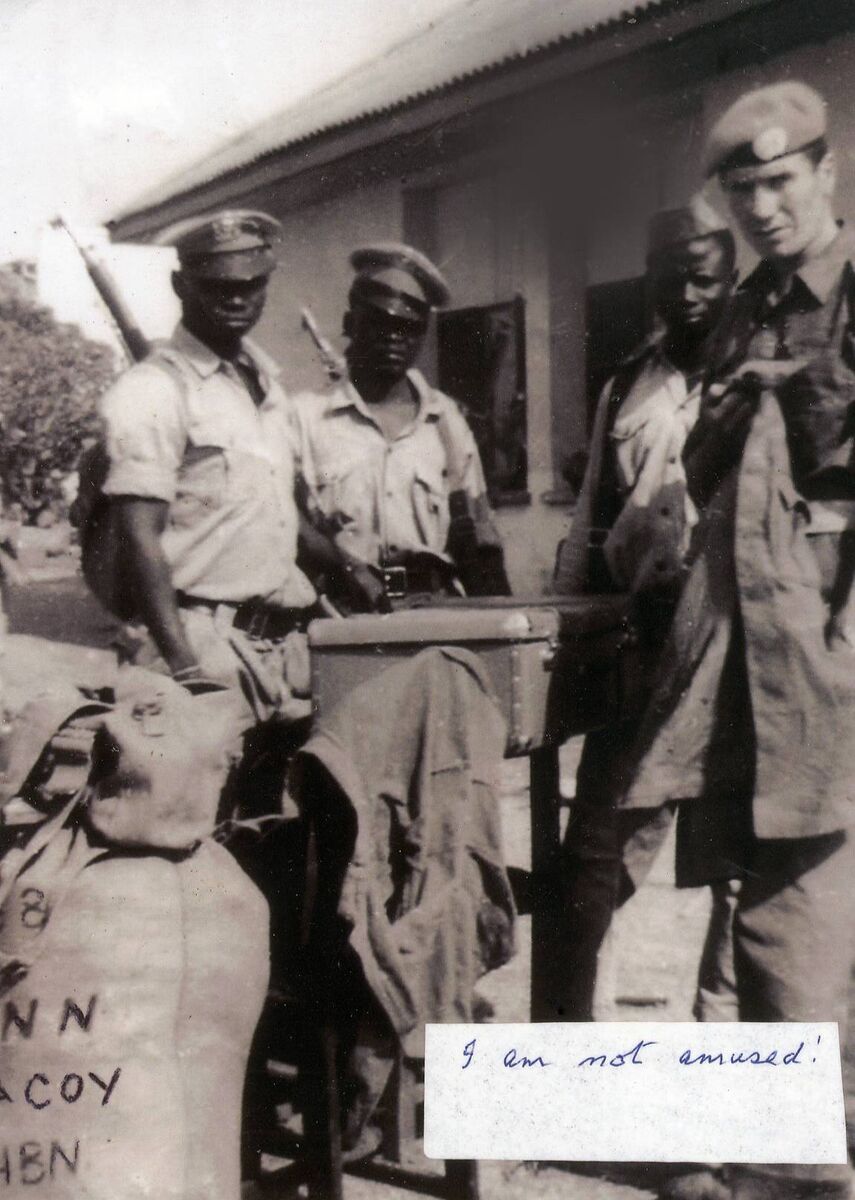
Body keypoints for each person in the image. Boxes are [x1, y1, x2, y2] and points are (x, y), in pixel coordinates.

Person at [621, 82, 855, 1200]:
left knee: (802, 904)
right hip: (747, 654)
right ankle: (777, 1147)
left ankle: (795, 1165)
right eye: (743, 187)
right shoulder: (741, 311)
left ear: (828, 173)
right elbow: (709, 478)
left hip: (832, 648)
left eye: (782, 180)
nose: (763, 205)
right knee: (757, 894)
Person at [553, 196, 738, 1027]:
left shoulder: (762, 376)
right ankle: (564, 1057)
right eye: (671, 283)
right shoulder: (625, 385)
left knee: (740, 878)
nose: (688, 297)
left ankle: (729, 1084)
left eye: (703, 278)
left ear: (730, 278)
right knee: (594, 859)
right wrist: (568, 646)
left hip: (740, 650)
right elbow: (590, 520)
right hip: (641, 646)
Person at [98, 210, 318, 755]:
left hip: (280, 648)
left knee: (279, 827)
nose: (237, 298)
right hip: (200, 640)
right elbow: (139, 535)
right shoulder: (153, 389)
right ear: (181, 285)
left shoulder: (267, 388)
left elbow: (277, 514)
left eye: (251, 285)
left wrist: (352, 566)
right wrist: (185, 666)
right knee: (194, 825)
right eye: (218, 286)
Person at [292, 242, 510, 606]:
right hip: (341, 620)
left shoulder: (447, 423)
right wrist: (345, 569)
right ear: (350, 323)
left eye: (410, 328)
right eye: (380, 322)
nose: (395, 338)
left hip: (433, 611)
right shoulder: (305, 417)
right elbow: (285, 523)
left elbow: (477, 538)